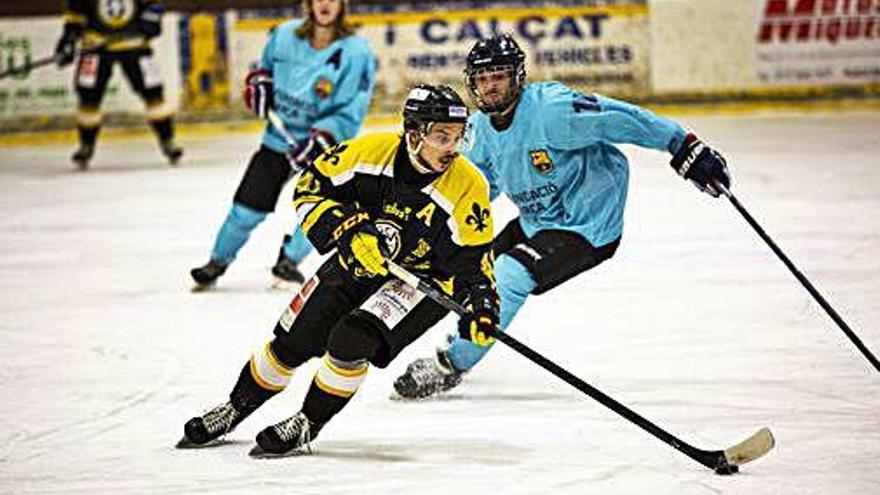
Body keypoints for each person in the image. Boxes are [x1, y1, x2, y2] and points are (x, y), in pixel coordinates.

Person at [393, 34, 732, 399]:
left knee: (507, 276)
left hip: (586, 226)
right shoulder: (479, 131)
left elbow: (619, 118)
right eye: (482, 78)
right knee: (470, 266)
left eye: (499, 76)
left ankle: (452, 364)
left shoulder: (552, 111)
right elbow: (476, 187)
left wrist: (680, 144)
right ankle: (468, 334)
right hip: (536, 223)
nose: (490, 86)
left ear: (517, 76)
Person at [177, 85, 498, 456]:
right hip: (357, 260)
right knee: (292, 343)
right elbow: (310, 186)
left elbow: (476, 262)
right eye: (442, 137)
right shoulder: (367, 154)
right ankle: (236, 407)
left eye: (459, 137)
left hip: (424, 282)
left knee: (350, 341)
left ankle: (307, 422)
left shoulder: (468, 185)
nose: (452, 148)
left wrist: (484, 307)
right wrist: (346, 229)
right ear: (414, 133)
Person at [190, 0, 376, 290]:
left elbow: (353, 107)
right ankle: (217, 261)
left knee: (321, 208)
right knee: (247, 206)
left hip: (323, 147)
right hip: (278, 139)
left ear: (342, 5)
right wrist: (258, 86)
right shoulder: (284, 35)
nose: (325, 4)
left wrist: (323, 138)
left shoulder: (357, 51)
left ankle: (289, 260)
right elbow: (263, 72)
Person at [55, 0, 183, 170]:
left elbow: (154, 6)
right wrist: (68, 41)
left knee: (153, 94)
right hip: (94, 48)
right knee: (88, 98)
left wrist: (152, 19)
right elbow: (75, 15)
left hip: (135, 46)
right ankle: (86, 146)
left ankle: (168, 141)